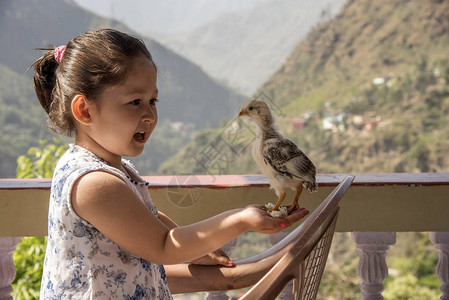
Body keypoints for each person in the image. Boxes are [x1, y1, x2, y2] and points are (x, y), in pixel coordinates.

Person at [31, 28, 309, 299]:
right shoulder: (94, 183)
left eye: (153, 100)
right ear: (84, 110)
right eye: (135, 101)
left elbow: (148, 220)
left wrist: (199, 250)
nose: (150, 114)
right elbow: (163, 245)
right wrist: (240, 220)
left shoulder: (112, 171)